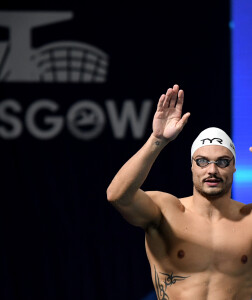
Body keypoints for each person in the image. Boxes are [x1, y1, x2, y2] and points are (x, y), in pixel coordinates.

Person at [106, 84, 252, 300]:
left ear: (234, 167)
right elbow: (117, 196)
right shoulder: (166, 211)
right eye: (202, 162)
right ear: (192, 166)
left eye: (222, 162)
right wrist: (158, 140)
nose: (212, 170)